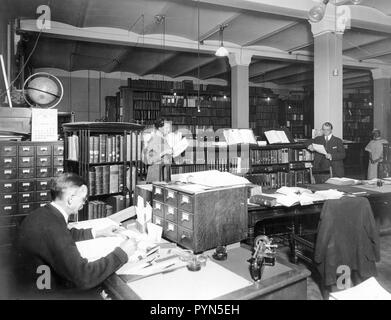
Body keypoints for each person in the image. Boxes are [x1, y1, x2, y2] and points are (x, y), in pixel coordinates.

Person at [15, 173, 137, 299]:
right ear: (70, 199)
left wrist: (98, 233)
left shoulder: (46, 214)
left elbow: (65, 234)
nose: (84, 202)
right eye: (83, 198)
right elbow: (84, 277)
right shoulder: (53, 227)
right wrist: (122, 253)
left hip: (36, 283)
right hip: (44, 293)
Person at [143, 118, 173, 183]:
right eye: (166, 128)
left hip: (164, 174)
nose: (169, 130)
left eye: (169, 128)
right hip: (156, 175)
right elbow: (149, 160)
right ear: (160, 128)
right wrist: (163, 153)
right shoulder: (153, 140)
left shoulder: (164, 139)